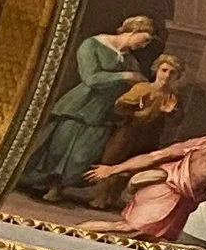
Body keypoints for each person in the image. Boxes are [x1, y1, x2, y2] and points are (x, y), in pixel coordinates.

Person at [77, 116, 206, 249]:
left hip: (171, 194)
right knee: (124, 228)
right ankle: (70, 234)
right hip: (166, 195)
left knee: (152, 241)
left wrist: (113, 169)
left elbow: (156, 156)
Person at [22, 16, 161, 197]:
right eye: (145, 39)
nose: (144, 45)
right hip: (80, 106)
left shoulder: (131, 62)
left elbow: (134, 91)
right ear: (134, 30)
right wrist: (124, 76)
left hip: (105, 113)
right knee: (59, 149)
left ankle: (58, 188)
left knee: (83, 156)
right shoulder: (93, 45)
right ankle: (42, 185)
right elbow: (90, 78)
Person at [103, 52, 184, 164]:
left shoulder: (173, 97)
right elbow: (119, 107)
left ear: (177, 76)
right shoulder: (143, 88)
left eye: (172, 72)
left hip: (151, 137)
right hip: (129, 133)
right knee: (113, 161)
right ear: (157, 70)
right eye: (164, 70)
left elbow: (176, 122)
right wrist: (139, 113)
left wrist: (169, 113)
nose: (167, 75)